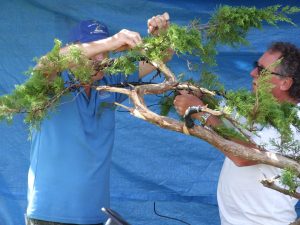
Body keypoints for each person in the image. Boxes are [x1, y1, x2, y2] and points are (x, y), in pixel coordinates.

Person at [26, 13, 171, 225]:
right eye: (94, 50)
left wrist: (163, 33)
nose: (100, 59)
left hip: (97, 214)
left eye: (105, 53)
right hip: (49, 214)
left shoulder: (110, 80)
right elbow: (47, 63)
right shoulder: (51, 84)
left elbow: (162, 56)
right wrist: (110, 42)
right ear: (74, 49)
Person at [173, 42, 300, 225]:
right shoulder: (255, 109)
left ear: (285, 82)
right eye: (256, 65)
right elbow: (224, 125)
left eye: (262, 70)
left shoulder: (294, 120)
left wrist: (201, 111)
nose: (253, 73)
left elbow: (244, 156)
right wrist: (199, 98)